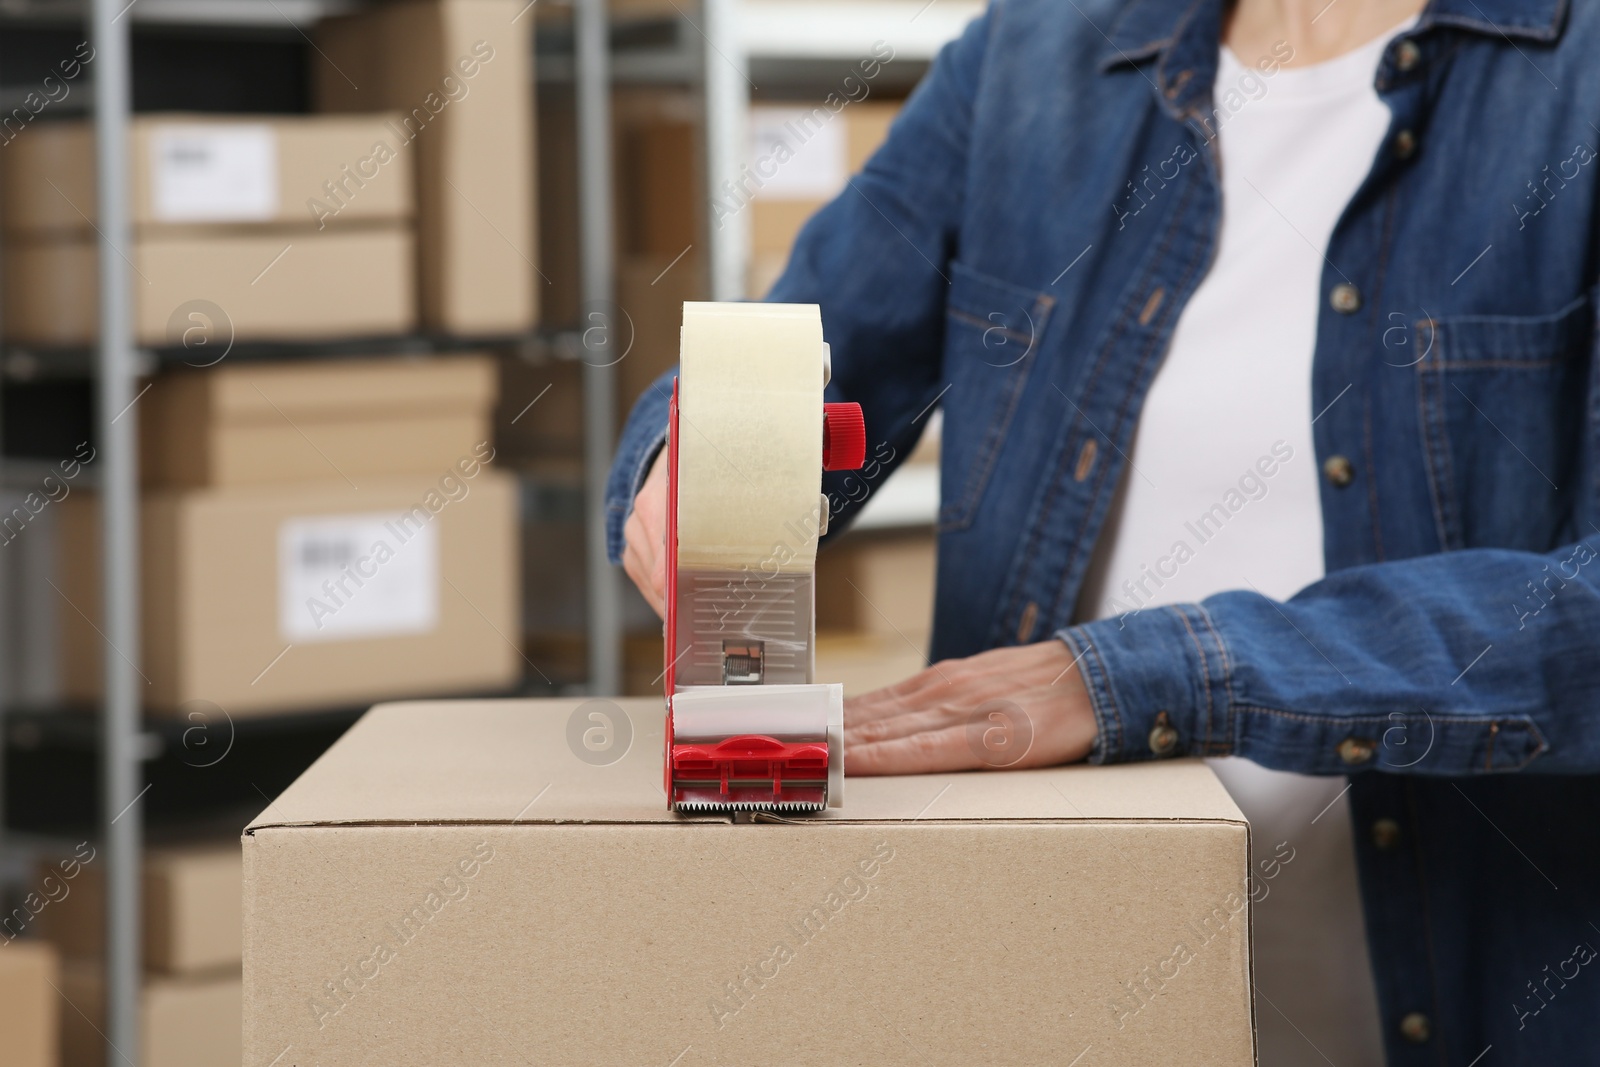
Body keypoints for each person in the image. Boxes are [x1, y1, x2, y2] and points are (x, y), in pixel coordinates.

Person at [607, 0, 1600, 1062]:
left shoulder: (1572, 76)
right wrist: (698, 449)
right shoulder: (1032, 59)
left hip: (1465, 1007)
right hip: (1047, 997)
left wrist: (1131, 677)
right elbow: (819, 342)